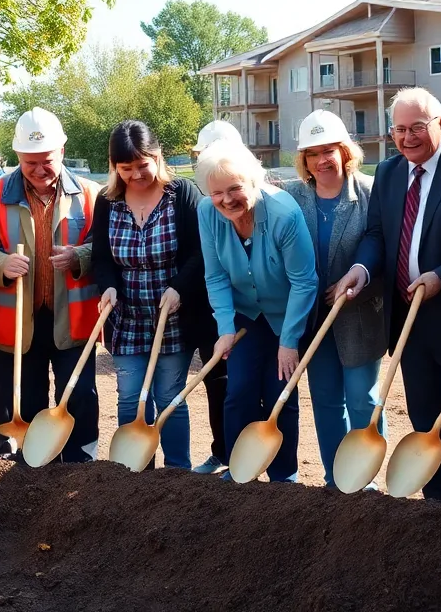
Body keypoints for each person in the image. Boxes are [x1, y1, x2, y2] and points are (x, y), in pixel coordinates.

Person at [336, 89, 441, 505]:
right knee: (425, 417)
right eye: (400, 130)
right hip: (409, 322)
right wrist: (362, 268)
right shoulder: (388, 173)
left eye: (418, 128)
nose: (408, 138)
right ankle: (438, 508)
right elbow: (377, 235)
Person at [0, 108, 102, 461]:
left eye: (47, 160)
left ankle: (79, 464)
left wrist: (80, 256)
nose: (40, 170)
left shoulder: (91, 194)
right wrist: (1, 263)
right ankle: (25, 469)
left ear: (61, 151)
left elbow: (103, 245)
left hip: (72, 319)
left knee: (79, 397)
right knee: (23, 399)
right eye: (30, 163)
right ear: (17, 158)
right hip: (16, 322)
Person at [197, 139, 317, 482]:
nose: (226, 199)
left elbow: (304, 282)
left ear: (253, 180)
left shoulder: (284, 214)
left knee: (281, 392)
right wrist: (224, 330)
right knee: (240, 389)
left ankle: (283, 476)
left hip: (287, 314)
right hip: (245, 314)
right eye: (217, 192)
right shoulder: (208, 213)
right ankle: (240, 470)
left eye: (235, 188)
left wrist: (289, 341)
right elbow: (215, 276)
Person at [93, 121, 209, 470]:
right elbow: (100, 256)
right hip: (126, 315)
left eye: (143, 164)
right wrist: (108, 285)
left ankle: (177, 473)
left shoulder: (182, 194)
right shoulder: (107, 200)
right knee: (130, 396)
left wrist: (179, 288)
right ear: (115, 166)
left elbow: (200, 252)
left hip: (173, 312)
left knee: (168, 396)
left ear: (157, 156)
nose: (136, 174)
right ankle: (132, 473)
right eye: (126, 168)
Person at [284, 110, 385, 488]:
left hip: (360, 315)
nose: (322, 160)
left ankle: (367, 479)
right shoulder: (292, 198)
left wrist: (362, 277)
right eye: (312, 153)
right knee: (326, 402)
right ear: (304, 161)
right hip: (313, 319)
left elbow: (384, 247)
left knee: (362, 399)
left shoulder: (371, 193)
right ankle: (336, 478)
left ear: (345, 151)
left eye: (329, 150)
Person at [183, 121, 240, 474]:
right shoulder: (201, 204)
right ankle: (222, 451)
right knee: (216, 380)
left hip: (251, 307)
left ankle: (253, 456)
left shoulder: (254, 194)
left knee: (250, 383)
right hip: (209, 307)